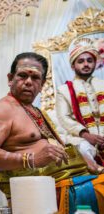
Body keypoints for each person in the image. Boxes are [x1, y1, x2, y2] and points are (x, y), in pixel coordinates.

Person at [0, 52, 104, 214]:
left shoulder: (35, 111)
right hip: (42, 194)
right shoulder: (4, 108)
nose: (28, 82)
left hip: (68, 184)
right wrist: (31, 159)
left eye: (35, 78)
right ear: (10, 78)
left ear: (42, 83)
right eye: (22, 76)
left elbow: (54, 148)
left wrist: (80, 157)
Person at [56, 38, 104, 173]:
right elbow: (64, 118)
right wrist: (85, 134)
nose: (86, 64)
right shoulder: (64, 90)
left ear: (95, 63)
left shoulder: (102, 85)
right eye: (81, 61)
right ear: (73, 66)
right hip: (82, 138)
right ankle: (97, 170)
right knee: (82, 148)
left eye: (90, 60)